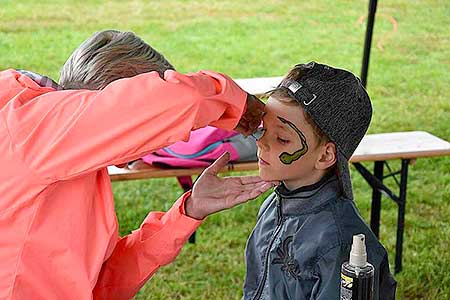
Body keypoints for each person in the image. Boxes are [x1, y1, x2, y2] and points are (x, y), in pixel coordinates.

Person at [0, 30, 272, 300]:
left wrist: (187, 212)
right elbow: (187, 98)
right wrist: (237, 105)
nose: (157, 143)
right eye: (153, 128)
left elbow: (100, 285)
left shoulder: (62, 149)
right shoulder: (35, 128)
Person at [243, 62, 397, 299]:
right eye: (264, 129)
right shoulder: (273, 206)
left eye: (282, 139)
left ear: (325, 155)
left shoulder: (338, 243)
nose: (262, 142)